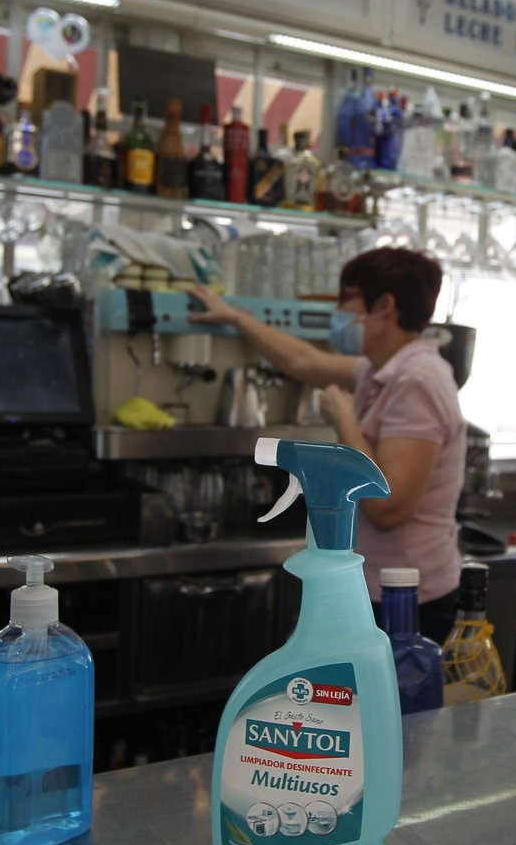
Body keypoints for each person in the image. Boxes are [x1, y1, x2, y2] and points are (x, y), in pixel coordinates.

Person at [188, 249, 465, 642]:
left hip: (407, 599)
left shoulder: (418, 380)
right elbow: (304, 361)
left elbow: (388, 507)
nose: (338, 313)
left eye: (345, 299)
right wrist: (235, 317)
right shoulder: (382, 369)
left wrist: (344, 418)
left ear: (383, 306)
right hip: (377, 585)